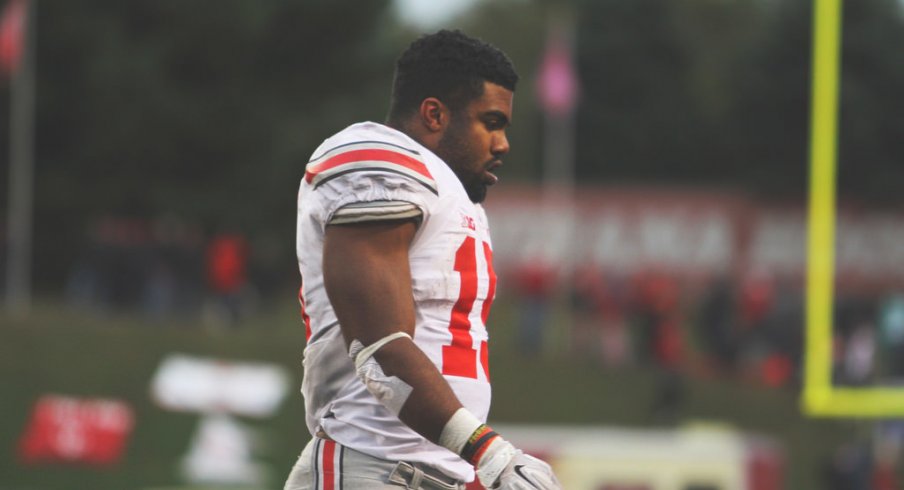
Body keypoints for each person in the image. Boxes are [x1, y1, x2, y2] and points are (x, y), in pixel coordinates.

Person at [287, 30, 561, 490]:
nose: (502, 144)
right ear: (434, 114)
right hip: (371, 466)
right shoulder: (382, 163)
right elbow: (380, 348)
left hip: (425, 472)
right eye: (490, 122)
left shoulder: (453, 195)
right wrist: (489, 452)